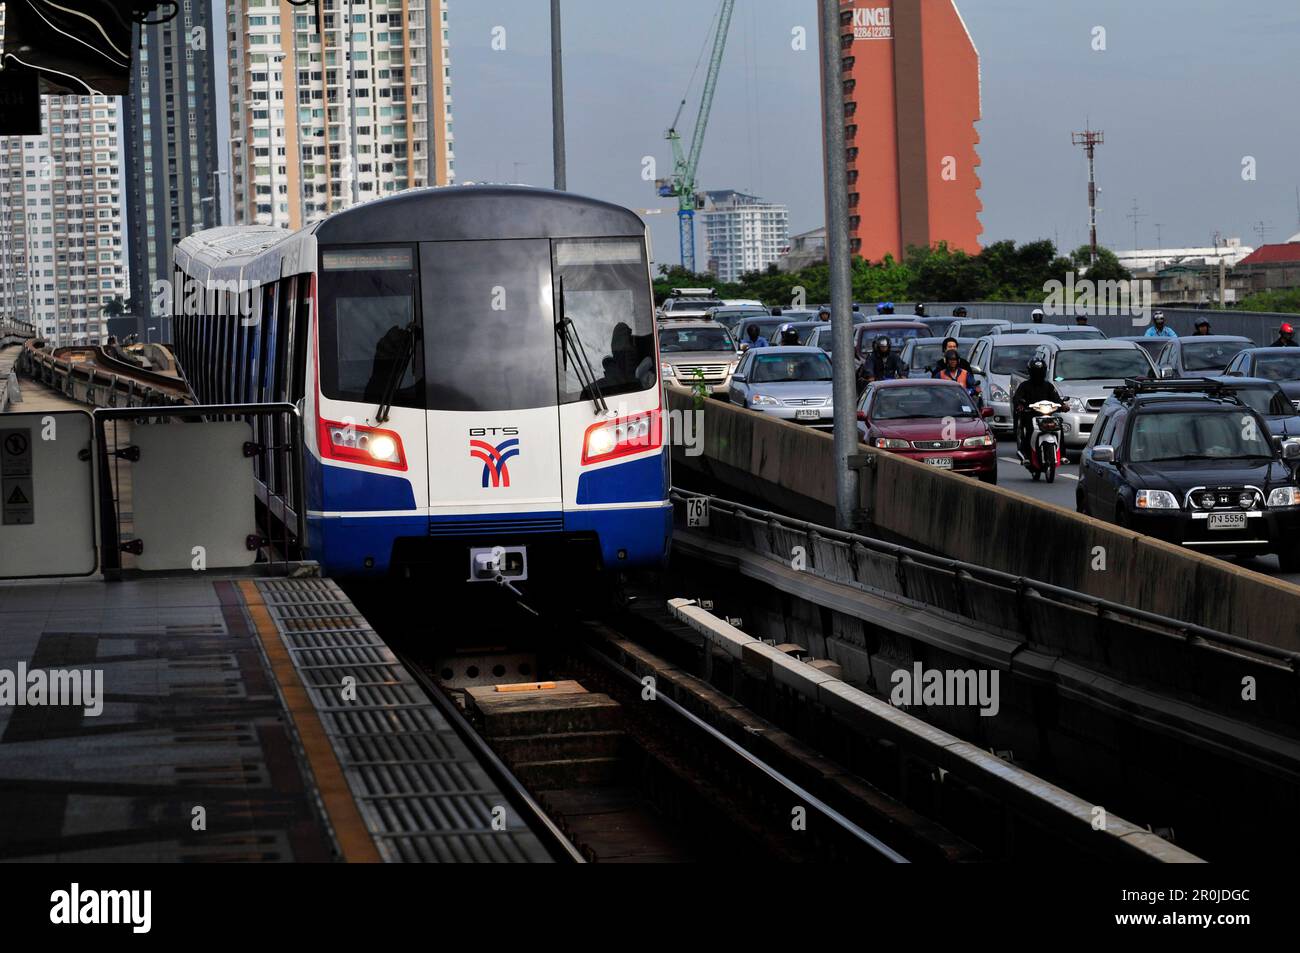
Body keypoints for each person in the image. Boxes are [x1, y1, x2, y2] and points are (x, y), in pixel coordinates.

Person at [1011, 357, 1064, 464]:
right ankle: (1025, 454)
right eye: (1036, 372)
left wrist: (1063, 405)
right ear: (1031, 372)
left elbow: (1056, 398)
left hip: (1048, 415)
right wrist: (1020, 405)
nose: (1038, 374)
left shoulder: (1049, 386)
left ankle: (1062, 455)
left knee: (1059, 427)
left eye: (1040, 371)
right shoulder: (1024, 385)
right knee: (1029, 429)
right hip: (1030, 415)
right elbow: (1016, 398)